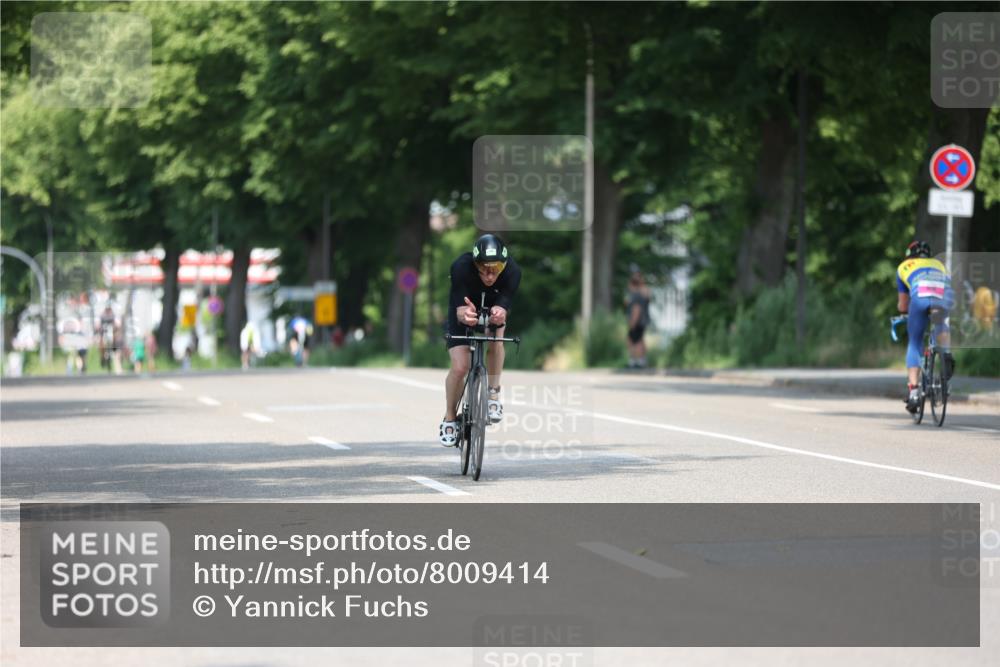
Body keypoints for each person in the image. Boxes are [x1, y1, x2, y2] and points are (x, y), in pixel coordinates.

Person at [439, 234, 521, 446]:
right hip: (465, 310)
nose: (490, 274)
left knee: (496, 341)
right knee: (460, 367)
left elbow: (504, 305)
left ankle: (493, 394)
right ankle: (449, 417)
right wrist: (465, 314)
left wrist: (500, 311)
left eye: (496, 268)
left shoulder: (513, 272)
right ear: (475, 263)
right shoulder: (461, 267)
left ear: (504, 265)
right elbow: (459, 310)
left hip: (492, 310)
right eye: (484, 267)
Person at [896, 240, 955, 413]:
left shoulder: (904, 266)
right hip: (943, 296)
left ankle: (914, 392)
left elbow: (903, 305)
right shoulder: (940, 264)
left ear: (909, 254)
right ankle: (946, 354)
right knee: (941, 323)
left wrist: (906, 311)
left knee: (914, 342)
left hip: (920, 297)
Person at [624, 266, 651, 368]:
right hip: (639, 319)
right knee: (635, 339)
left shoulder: (640, 292)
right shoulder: (633, 293)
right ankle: (637, 360)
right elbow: (626, 303)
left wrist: (633, 322)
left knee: (637, 340)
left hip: (639, 320)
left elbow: (637, 309)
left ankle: (638, 361)